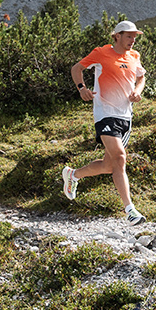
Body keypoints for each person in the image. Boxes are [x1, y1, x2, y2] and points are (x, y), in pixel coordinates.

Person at [62, 20, 147, 225]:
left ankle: (73, 175)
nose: (133, 40)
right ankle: (130, 210)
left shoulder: (134, 56)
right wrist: (81, 88)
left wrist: (137, 91)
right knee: (120, 157)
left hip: (125, 116)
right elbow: (76, 69)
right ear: (117, 36)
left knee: (110, 165)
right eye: (129, 36)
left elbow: (141, 78)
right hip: (105, 113)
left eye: (135, 36)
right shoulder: (101, 53)